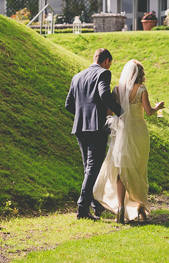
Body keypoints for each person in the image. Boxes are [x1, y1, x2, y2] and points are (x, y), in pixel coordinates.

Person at [93, 59, 165, 224]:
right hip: (139, 133)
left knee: (122, 170)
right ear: (139, 74)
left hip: (123, 133)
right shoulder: (141, 89)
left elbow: (109, 112)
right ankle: (140, 207)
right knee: (139, 168)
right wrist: (158, 107)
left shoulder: (117, 90)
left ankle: (121, 207)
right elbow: (149, 112)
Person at [65, 48, 123, 221]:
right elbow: (104, 93)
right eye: (110, 63)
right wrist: (121, 112)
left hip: (79, 127)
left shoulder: (77, 76)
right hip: (96, 127)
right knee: (92, 167)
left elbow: (68, 104)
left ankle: (96, 205)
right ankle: (82, 208)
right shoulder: (103, 74)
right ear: (106, 61)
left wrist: (82, 116)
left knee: (89, 167)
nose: (109, 66)